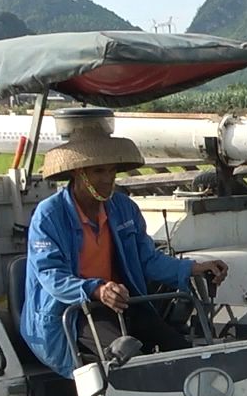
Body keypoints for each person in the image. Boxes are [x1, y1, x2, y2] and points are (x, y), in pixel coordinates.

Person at [18, 128, 227, 377]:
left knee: (181, 352)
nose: (108, 179)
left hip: (121, 304)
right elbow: (52, 276)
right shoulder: (49, 215)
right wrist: (97, 289)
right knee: (127, 361)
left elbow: (147, 259)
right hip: (74, 312)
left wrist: (192, 268)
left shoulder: (124, 208)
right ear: (78, 173)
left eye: (111, 171)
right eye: (98, 171)